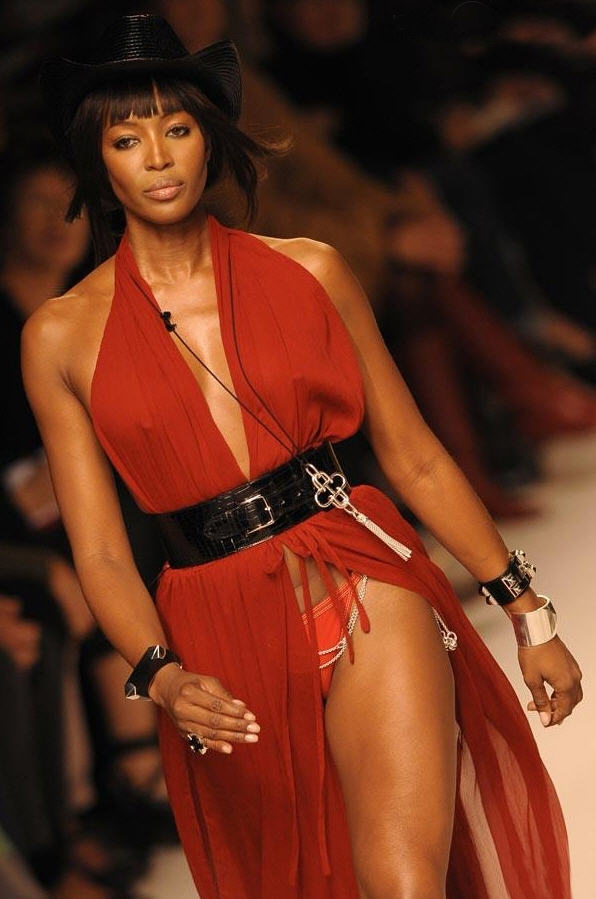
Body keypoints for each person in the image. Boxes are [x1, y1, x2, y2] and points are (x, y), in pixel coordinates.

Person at [27, 14, 582, 899]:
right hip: (214, 634)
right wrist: (160, 675)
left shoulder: (310, 271)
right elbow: (97, 547)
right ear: (99, 162)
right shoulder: (59, 336)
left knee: (404, 881)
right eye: (127, 140)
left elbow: (413, 454)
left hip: (360, 579)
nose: (158, 158)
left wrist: (528, 612)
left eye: (178, 129)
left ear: (211, 139)